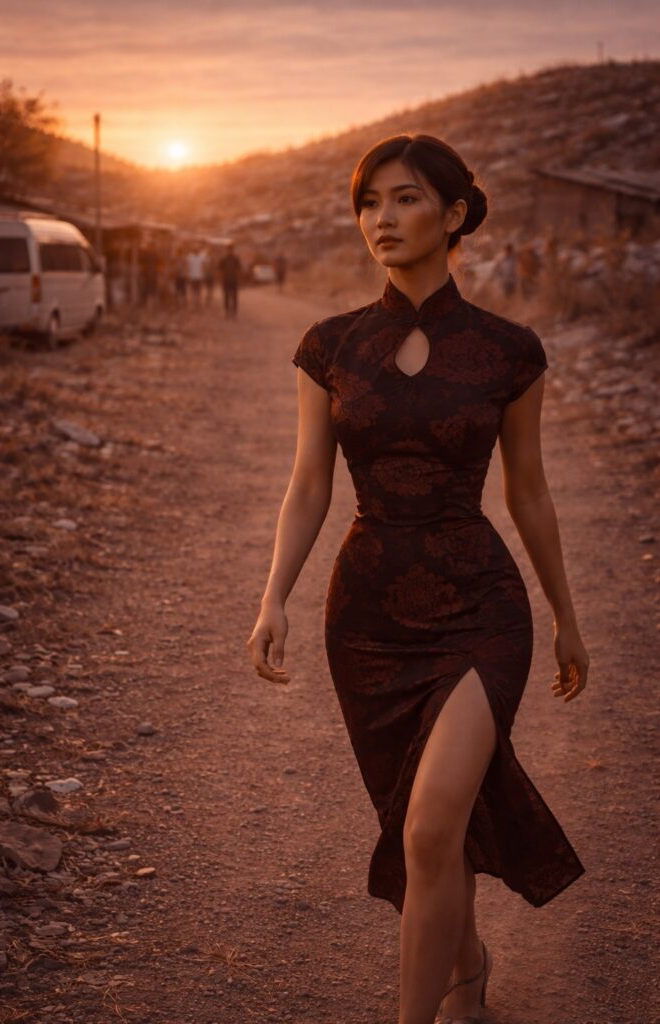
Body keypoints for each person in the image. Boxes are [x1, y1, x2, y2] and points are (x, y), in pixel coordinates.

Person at [246, 133, 589, 1024]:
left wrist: (564, 615)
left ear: (454, 213)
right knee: (425, 832)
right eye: (368, 202)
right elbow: (309, 485)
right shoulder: (330, 346)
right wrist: (273, 596)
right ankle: (466, 970)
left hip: (479, 611)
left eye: (404, 199)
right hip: (364, 620)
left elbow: (528, 491)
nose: (381, 220)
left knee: (432, 824)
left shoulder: (509, 351)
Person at [218, 243, 242, 318]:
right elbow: (220, 270)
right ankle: (227, 312)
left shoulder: (236, 259)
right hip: (226, 280)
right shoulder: (223, 259)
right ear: (227, 250)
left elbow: (239, 270)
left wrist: (239, 280)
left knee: (234, 297)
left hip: (234, 280)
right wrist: (220, 280)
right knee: (226, 297)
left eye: (231, 250)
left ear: (233, 250)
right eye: (229, 250)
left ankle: (234, 312)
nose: (230, 251)